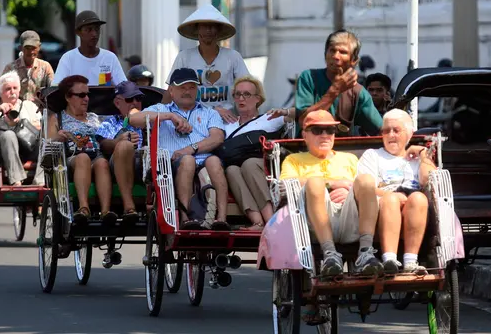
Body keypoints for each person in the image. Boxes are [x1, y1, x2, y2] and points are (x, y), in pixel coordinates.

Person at [279, 110, 382, 277]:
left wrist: (347, 189)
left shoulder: (349, 158)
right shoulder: (294, 160)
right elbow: (285, 184)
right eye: (317, 130)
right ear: (305, 135)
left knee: (366, 180)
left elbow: (367, 189)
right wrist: (332, 184)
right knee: (315, 182)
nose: (325, 135)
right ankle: (329, 254)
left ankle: (366, 252)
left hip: (351, 216)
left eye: (330, 130)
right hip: (314, 220)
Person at [129, 68, 230, 230]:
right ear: (171, 90)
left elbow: (217, 138)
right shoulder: (161, 109)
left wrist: (191, 148)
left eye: (191, 87)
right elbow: (133, 119)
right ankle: (185, 217)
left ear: (197, 90)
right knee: (188, 161)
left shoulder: (209, 113)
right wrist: (170, 117)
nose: (187, 91)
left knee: (214, 161)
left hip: (202, 159)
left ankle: (222, 219)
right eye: (182, 87)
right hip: (170, 165)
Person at [358, 109, 435, 274]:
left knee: (419, 199)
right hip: (383, 208)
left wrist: (423, 154)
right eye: (386, 131)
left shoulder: (418, 158)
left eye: (396, 130)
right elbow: (366, 188)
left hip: (413, 208)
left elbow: (428, 180)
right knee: (392, 200)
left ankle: (410, 262)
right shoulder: (373, 156)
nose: (390, 135)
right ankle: (389, 260)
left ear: (409, 133)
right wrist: (392, 195)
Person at [272, 29, 383, 137]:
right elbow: (304, 121)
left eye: (343, 52)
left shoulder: (358, 93)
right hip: (306, 152)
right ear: (325, 54)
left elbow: (380, 130)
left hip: (344, 153)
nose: (335, 56)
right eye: (332, 50)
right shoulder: (309, 78)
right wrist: (335, 90)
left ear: (354, 60)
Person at [45, 75, 115, 226]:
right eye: (81, 95)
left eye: (88, 95)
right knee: (83, 158)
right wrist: (58, 137)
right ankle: (84, 208)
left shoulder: (94, 118)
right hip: (70, 160)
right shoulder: (57, 118)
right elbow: (48, 145)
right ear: (68, 98)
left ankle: (105, 211)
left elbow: (105, 139)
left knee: (102, 162)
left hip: (96, 156)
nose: (86, 99)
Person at [168, 4, 250, 124]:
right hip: (192, 120)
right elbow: (171, 91)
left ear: (218, 30)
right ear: (197, 30)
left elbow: (248, 88)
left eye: (212, 27)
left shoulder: (233, 57)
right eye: (204, 27)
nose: (208, 31)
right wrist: (162, 116)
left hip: (227, 121)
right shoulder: (184, 57)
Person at [224, 76, 285, 230]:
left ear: (258, 98)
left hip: (262, 166)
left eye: (247, 94)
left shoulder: (270, 118)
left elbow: (301, 114)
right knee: (231, 170)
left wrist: (286, 111)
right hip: (236, 166)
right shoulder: (227, 125)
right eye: (237, 94)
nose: (241, 98)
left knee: (249, 164)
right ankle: (257, 222)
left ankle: (271, 221)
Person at [95, 81, 145, 224]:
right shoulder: (110, 123)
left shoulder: (149, 120)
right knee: (124, 146)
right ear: (118, 103)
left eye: (138, 99)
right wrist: (118, 141)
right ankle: (129, 207)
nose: (135, 103)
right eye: (130, 99)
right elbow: (104, 145)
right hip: (118, 165)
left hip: (144, 164)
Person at [0, 71, 43, 186]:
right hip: (4, 151)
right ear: (0, 92)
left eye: (15, 88)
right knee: (9, 135)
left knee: (47, 140)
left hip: (29, 146)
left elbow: (40, 126)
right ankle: (16, 180)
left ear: (19, 90)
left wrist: (22, 123)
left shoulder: (29, 105)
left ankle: (39, 181)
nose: (12, 92)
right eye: (8, 89)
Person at [52, 10, 127, 86]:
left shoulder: (110, 58)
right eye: (88, 30)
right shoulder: (68, 58)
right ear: (78, 32)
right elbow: (57, 87)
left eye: (97, 29)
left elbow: (123, 87)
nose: (94, 34)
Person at [2, 30, 54, 105]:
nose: (31, 51)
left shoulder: (45, 67)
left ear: (39, 47)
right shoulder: (10, 68)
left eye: (34, 48)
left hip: (39, 112)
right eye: (28, 48)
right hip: (17, 111)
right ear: (20, 48)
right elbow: (1, 91)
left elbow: (52, 90)